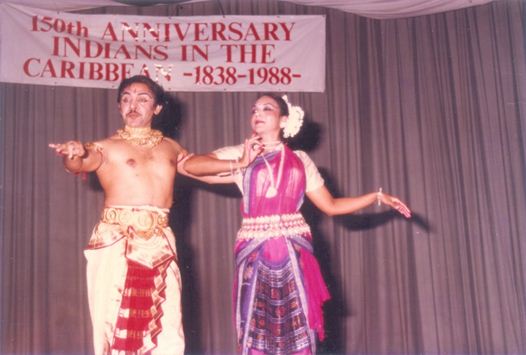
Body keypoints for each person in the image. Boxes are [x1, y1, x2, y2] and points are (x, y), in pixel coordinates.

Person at [180, 94, 411, 354]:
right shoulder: (240, 153)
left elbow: (331, 206)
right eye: (254, 109)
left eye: (267, 108)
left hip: (294, 251)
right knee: (256, 325)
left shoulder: (300, 160)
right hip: (255, 252)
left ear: (284, 119)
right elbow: (188, 165)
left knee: (300, 323)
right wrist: (241, 162)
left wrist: (376, 197)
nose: (258, 113)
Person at [49, 75, 186, 355]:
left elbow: (197, 165)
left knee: (167, 327)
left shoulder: (171, 148)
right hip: (117, 242)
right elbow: (81, 161)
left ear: (157, 108)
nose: (133, 104)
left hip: (159, 244)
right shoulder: (105, 146)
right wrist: (73, 154)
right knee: (112, 322)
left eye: (142, 98)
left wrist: (239, 161)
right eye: (126, 98)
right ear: (119, 107)